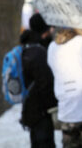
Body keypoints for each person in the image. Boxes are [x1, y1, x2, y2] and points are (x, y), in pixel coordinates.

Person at [19, 13, 57, 148]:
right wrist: (53, 105)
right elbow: (45, 83)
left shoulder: (27, 47)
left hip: (30, 108)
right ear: (45, 30)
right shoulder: (39, 53)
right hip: (40, 111)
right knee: (44, 143)